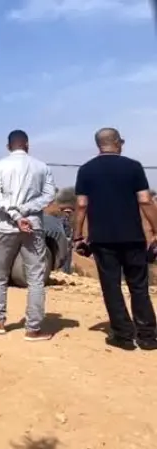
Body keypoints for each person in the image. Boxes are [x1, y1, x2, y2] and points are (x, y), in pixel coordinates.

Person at [72, 127, 157, 351]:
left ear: (99, 145)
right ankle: (148, 337)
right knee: (138, 286)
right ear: (118, 142)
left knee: (111, 286)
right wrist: (156, 230)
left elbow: (81, 204)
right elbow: (145, 200)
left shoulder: (86, 170)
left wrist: (78, 235)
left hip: (102, 239)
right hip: (133, 237)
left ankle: (123, 335)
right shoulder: (134, 167)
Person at [0, 130, 56, 342]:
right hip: (32, 226)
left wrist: (16, 215)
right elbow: (49, 196)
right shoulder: (42, 167)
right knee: (35, 278)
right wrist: (26, 210)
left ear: (8, 146)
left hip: (6, 226)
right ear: (27, 145)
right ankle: (33, 329)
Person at [59, 206, 74, 274]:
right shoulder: (62, 220)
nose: (68, 214)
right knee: (65, 254)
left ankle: (67, 270)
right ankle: (64, 270)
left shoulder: (68, 220)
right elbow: (61, 230)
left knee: (69, 255)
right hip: (65, 239)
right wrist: (65, 238)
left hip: (69, 239)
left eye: (69, 212)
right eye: (67, 212)